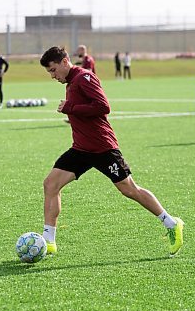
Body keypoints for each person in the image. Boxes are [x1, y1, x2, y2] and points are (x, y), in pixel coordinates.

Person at [39, 46, 184, 257]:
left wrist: (71, 108)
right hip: (81, 149)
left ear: (64, 61)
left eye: (53, 70)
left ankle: (172, 223)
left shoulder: (84, 77)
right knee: (51, 184)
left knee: (129, 190)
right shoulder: (71, 82)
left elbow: (103, 106)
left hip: (103, 148)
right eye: (49, 73)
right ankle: (49, 241)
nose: (53, 76)